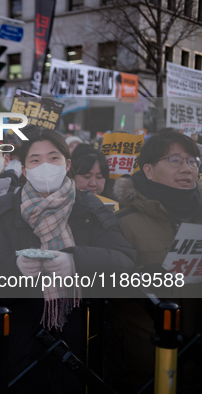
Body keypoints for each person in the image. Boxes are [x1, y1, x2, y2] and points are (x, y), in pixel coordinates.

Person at [0, 128, 136, 393]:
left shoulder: (90, 207)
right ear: (25, 170)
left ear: (67, 164)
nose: (45, 167)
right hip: (23, 346)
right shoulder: (5, 213)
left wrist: (76, 262)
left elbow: (126, 263)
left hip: (84, 341)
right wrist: (15, 270)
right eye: (35, 160)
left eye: (53, 158)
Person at [112, 131, 202, 392]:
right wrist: (144, 277)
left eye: (192, 161)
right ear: (148, 170)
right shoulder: (123, 221)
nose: (187, 168)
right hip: (146, 360)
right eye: (175, 160)